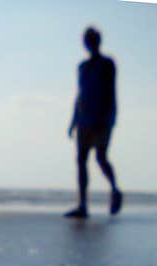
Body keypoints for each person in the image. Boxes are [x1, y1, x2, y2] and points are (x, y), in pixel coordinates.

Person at [65, 27, 122, 218]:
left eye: (91, 40)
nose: (89, 43)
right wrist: (73, 120)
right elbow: (79, 95)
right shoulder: (82, 67)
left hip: (101, 119)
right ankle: (82, 205)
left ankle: (115, 190)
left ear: (98, 42)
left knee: (101, 157)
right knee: (81, 160)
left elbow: (110, 92)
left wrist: (107, 117)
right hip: (83, 119)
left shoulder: (107, 64)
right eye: (87, 40)